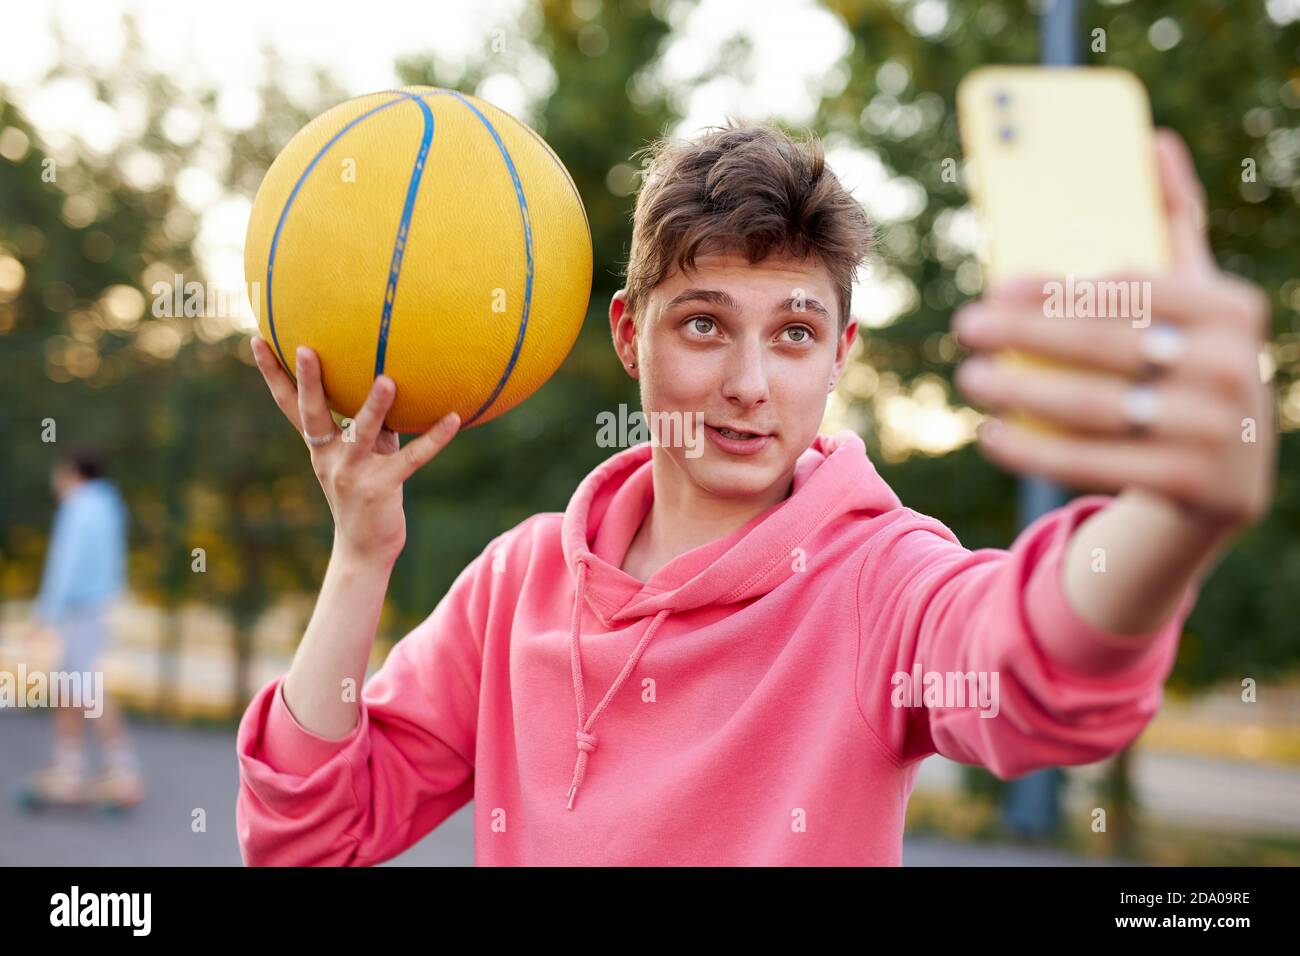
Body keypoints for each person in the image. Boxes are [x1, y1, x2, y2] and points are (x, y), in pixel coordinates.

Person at [235, 121, 1274, 865]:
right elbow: (307, 834)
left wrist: (1171, 517)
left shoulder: (881, 579)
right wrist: (360, 552)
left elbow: (1027, 660)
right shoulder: (518, 582)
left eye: (792, 332)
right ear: (628, 331)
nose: (746, 381)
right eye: (701, 323)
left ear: (838, 354)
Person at [27, 446, 145, 807]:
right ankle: (71, 764)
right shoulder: (109, 506)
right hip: (96, 607)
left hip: (79, 608)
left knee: (84, 687)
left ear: (72, 472)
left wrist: (45, 614)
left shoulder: (79, 507)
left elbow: (66, 564)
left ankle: (120, 768)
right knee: (69, 685)